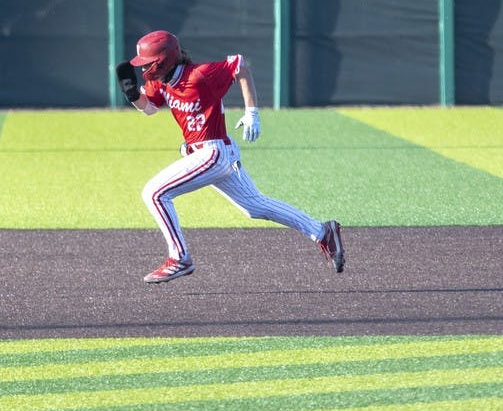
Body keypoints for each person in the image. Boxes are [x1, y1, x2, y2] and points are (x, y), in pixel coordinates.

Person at [116, 30, 344, 284]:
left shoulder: (200, 74)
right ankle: (322, 231)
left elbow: (240, 65)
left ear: (163, 60)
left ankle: (179, 257)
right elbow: (149, 109)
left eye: (147, 63)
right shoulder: (162, 81)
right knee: (255, 206)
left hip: (212, 153)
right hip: (212, 153)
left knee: (154, 193)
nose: (144, 68)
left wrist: (252, 112)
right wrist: (133, 95)